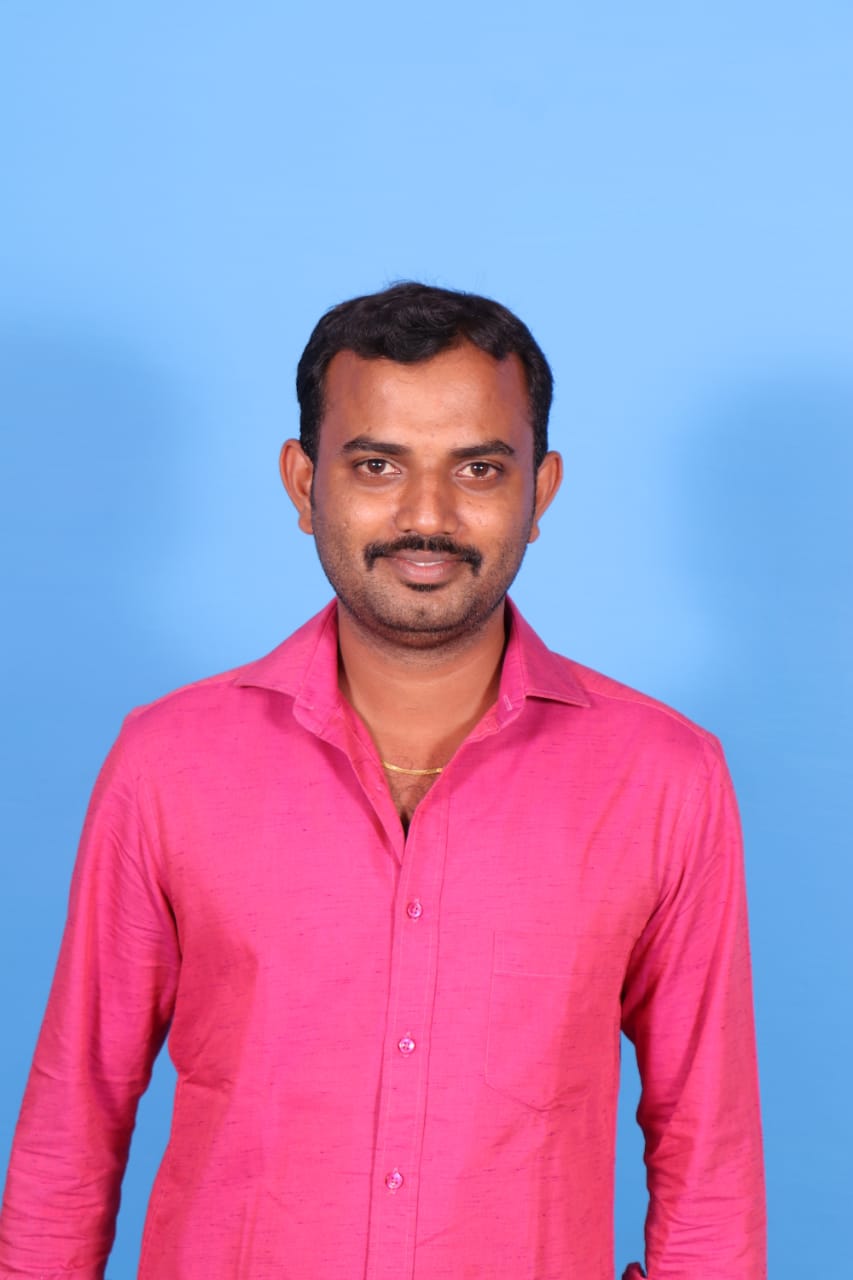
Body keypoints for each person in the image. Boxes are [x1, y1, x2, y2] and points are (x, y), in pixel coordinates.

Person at [0, 283, 766, 1278]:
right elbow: (75, 1117)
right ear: (303, 481)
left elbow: (707, 1149)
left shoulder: (663, 776)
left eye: (478, 468)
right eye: (377, 465)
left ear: (539, 491)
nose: (425, 516)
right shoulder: (166, 762)